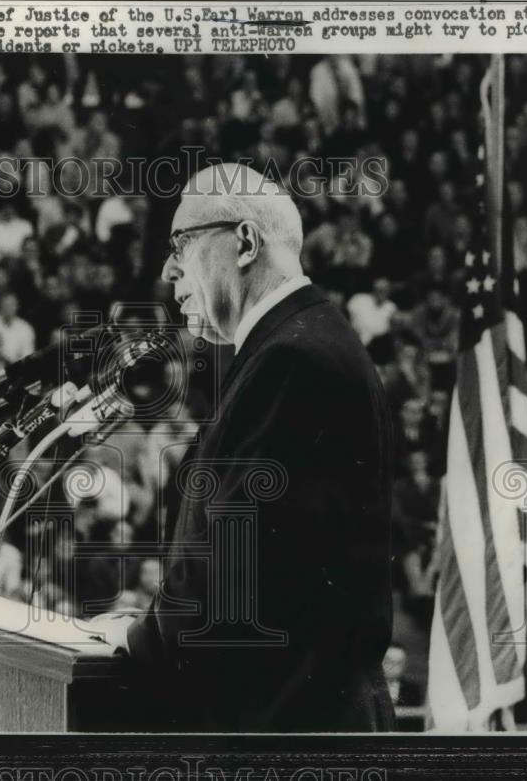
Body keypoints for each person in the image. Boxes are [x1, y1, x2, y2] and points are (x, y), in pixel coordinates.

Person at [92, 164, 395, 732]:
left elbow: (230, 579)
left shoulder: (290, 362)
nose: (168, 269)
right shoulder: (294, 344)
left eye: (182, 244)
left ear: (246, 241)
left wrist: (132, 640)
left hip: (288, 732)